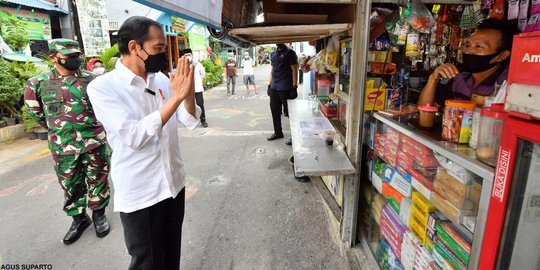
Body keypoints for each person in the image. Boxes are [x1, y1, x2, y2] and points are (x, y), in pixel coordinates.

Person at [87, 16, 200, 270]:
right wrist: (177, 96)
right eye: (158, 48)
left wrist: (188, 91)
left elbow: (189, 119)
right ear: (135, 47)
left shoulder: (160, 80)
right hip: (142, 193)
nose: (164, 55)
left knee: (171, 256)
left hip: (173, 185)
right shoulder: (102, 88)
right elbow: (134, 136)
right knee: (147, 263)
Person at [24, 39, 111, 245]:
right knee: (69, 184)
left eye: (77, 55)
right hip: (63, 145)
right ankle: (79, 219)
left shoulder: (92, 80)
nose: (75, 60)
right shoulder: (37, 83)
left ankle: (99, 215)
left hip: (93, 141)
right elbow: (36, 113)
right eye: (70, 56)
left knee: (98, 179)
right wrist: (60, 130)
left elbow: (106, 108)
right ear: (54, 57)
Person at [419, 19, 518, 107]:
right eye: (467, 45)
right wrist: (433, 79)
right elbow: (425, 110)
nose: (468, 51)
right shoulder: (460, 78)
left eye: (478, 46)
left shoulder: (508, 87)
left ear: (502, 55)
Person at [267, 43, 298, 144]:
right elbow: (272, 70)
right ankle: (278, 132)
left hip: (285, 87)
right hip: (274, 87)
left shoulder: (290, 53)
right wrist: (269, 85)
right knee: (274, 110)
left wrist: (294, 86)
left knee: (289, 113)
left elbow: (294, 69)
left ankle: (294, 136)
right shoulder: (273, 54)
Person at [183, 48, 208, 127]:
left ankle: (203, 120)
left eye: (189, 55)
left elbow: (203, 74)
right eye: (186, 55)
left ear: (192, 55)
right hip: (188, 89)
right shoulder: (183, 65)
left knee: (200, 104)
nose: (187, 56)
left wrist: (199, 82)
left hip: (197, 88)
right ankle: (191, 121)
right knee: (189, 105)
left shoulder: (198, 64)